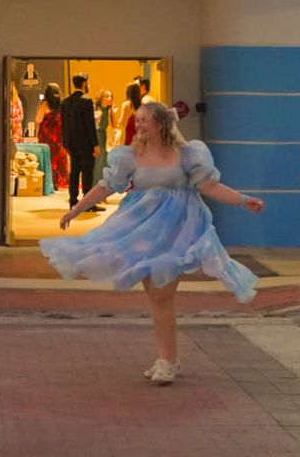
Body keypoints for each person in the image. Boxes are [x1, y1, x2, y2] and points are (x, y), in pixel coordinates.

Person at [42, 101, 264, 385]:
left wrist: (244, 200)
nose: (140, 124)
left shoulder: (186, 155)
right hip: (142, 232)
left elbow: (209, 186)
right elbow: (106, 185)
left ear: (160, 123)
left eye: (145, 119)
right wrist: (76, 209)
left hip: (176, 232)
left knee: (161, 296)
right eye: (138, 119)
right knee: (157, 297)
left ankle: (167, 361)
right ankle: (167, 358)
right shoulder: (132, 156)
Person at [61, 73, 101, 212]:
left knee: (74, 172)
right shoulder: (87, 101)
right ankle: (87, 203)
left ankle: (73, 201)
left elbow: (64, 124)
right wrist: (95, 144)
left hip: (71, 143)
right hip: (85, 144)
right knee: (87, 173)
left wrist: (65, 142)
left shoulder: (65, 102)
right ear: (84, 83)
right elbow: (90, 125)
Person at [35, 85, 69, 190]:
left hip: (47, 137)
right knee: (58, 158)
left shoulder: (45, 105)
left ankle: (50, 182)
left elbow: (38, 120)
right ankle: (59, 181)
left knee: (48, 159)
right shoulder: (62, 105)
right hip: (59, 137)